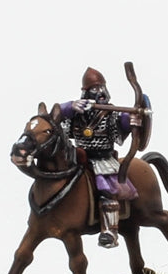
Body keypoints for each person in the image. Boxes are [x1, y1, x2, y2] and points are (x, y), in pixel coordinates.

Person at [59, 67, 138, 248]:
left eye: (102, 88)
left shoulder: (111, 113)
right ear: (86, 92)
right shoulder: (76, 112)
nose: (100, 92)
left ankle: (110, 232)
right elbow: (57, 122)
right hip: (78, 158)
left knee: (106, 190)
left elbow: (122, 125)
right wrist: (68, 107)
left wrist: (131, 120)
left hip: (102, 160)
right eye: (95, 89)